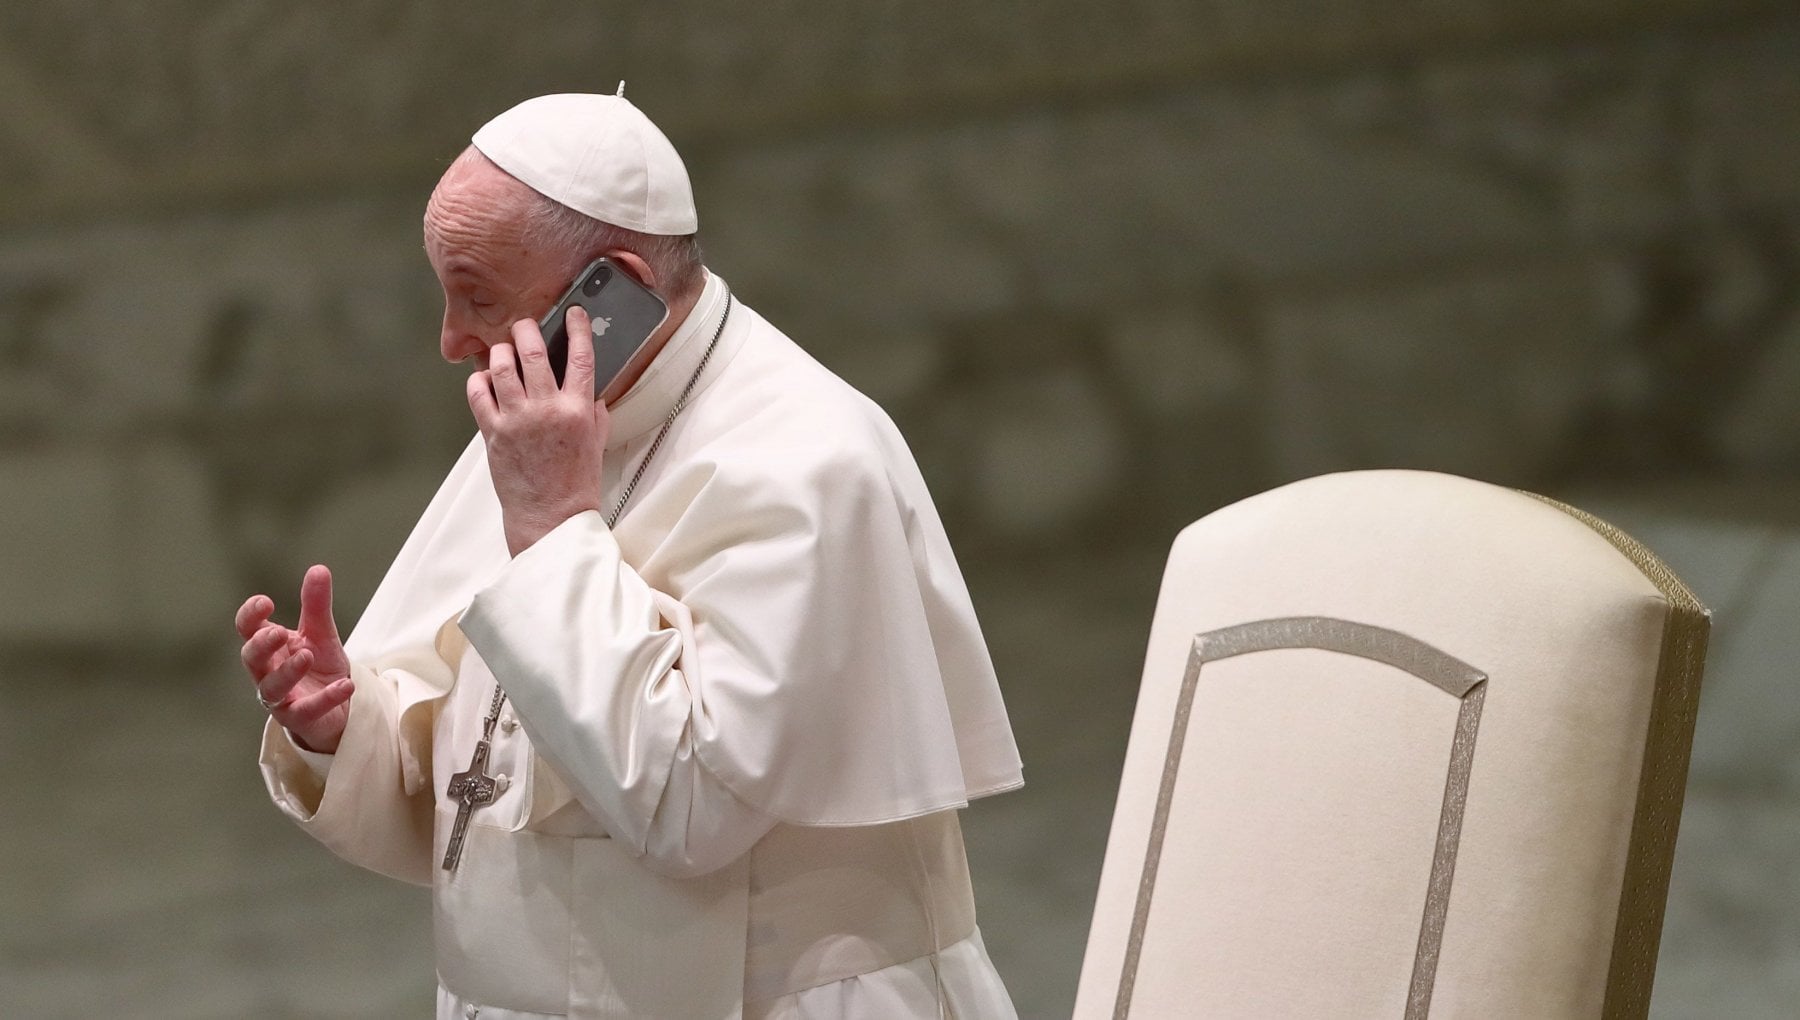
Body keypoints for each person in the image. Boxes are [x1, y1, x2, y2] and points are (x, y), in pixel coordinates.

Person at [234, 90, 1024, 1019]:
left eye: (478, 298)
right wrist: (346, 726)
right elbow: (484, 785)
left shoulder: (810, 456)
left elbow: (691, 803)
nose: (451, 342)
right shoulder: (552, 423)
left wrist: (556, 529)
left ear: (608, 287)